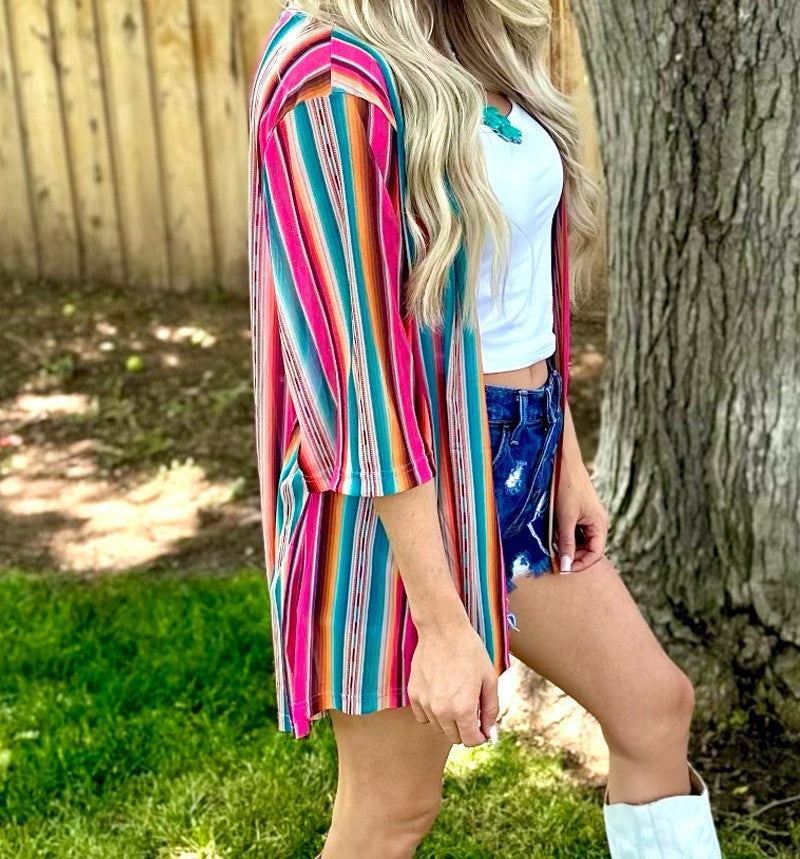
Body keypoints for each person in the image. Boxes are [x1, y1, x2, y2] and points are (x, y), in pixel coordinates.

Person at [248, 2, 723, 857]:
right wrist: (439, 622)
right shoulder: (327, 74)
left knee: (655, 708)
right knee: (391, 812)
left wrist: (562, 456)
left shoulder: (468, 26)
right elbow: (362, 376)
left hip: (521, 455)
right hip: (404, 496)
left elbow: (514, 290)